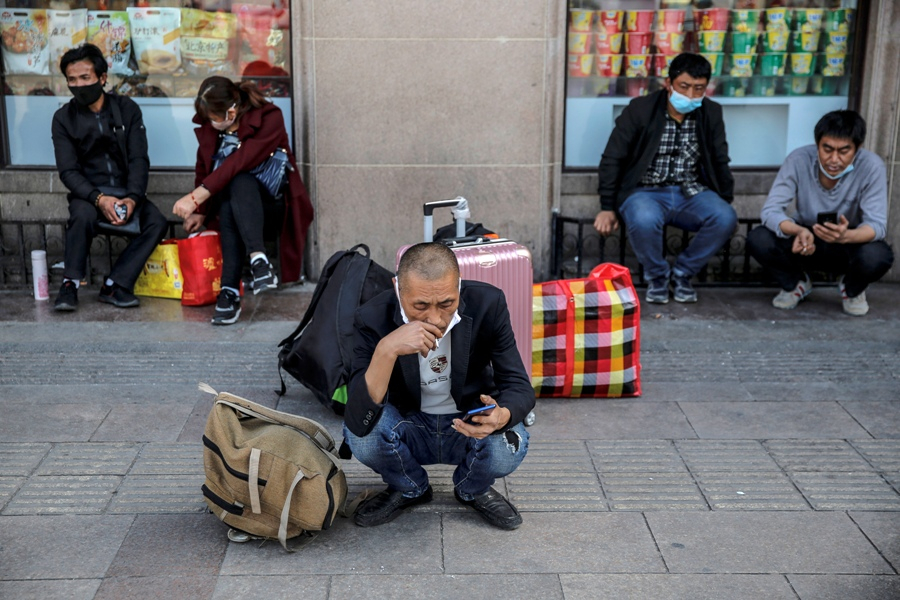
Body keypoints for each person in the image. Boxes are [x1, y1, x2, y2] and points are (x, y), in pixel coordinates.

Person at [343, 243, 534, 530]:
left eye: (447, 304)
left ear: (458, 286)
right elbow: (357, 418)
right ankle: (409, 487)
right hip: (407, 424)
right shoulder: (371, 317)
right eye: (420, 306)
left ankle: (473, 489)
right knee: (364, 438)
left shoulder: (488, 303)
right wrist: (387, 349)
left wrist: (501, 415)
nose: (435, 319)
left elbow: (518, 384)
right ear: (398, 289)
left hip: (468, 422)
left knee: (509, 443)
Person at [593, 52, 737, 305]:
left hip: (691, 191)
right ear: (669, 84)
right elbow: (612, 157)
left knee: (725, 218)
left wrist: (725, 199)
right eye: (684, 86)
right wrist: (607, 206)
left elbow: (720, 158)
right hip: (644, 191)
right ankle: (658, 277)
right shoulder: (641, 109)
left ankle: (682, 274)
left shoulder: (711, 113)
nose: (691, 95)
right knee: (644, 219)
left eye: (698, 88)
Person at [172, 76, 313, 325]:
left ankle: (232, 291)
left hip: (273, 207)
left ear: (232, 110)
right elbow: (203, 168)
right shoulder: (209, 127)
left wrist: (196, 198)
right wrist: (201, 211)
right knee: (230, 198)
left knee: (239, 178)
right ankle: (252, 269)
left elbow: (241, 161)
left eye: (216, 117)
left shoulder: (269, 118)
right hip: (232, 210)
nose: (212, 123)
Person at [51, 44, 167, 311]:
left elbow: (139, 159)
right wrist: (99, 199)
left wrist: (133, 198)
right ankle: (70, 284)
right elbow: (68, 171)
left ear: (103, 78)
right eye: (72, 79)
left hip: (127, 190)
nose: (78, 85)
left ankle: (115, 284)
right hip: (89, 194)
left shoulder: (127, 109)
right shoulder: (63, 119)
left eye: (85, 78)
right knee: (81, 216)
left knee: (156, 222)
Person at [747, 110, 894, 316]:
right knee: (759, 238)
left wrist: (846, 236)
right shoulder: (798, 159)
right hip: (806, 239)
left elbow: (877, 225)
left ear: (857, 148)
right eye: (827, 149)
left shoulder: (872, 166)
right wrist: (797, 230)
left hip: (848, 241)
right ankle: (796, 283)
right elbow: (771, 210)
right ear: (817, 144)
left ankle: (851, 289)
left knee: (878, 255)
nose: (834, 159)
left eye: (844, 151)